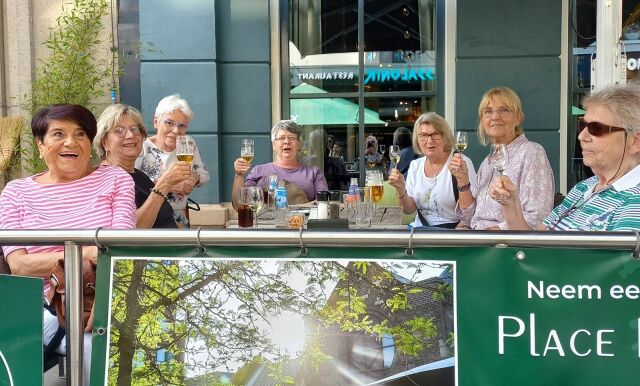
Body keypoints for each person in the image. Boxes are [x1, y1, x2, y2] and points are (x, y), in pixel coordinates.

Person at [0, 104, 137, 383]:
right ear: (40, 145)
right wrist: (86, 253)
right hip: (43, 307)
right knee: (97, 354)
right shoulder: (17, 192)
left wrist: (104, 299)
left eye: (80, 134)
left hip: (106, 296)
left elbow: (123, 250)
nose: (70, 142)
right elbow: (20, 267)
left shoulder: (115, 179)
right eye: (58, 134)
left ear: (91, 143)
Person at [491, 83, 640, 231]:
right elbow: (535, 243)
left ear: (635, 142)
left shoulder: (635, 201)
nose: (581, 136)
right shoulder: (583, 188)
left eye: (597, 128)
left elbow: (617, 256)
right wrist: (511, 205)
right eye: (582, 125)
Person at [449, 87, 554, 230]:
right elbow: (470, 219)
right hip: (478, 240)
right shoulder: (487, 162)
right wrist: (463, 182)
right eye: (488, 111)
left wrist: (487, 234)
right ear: (482, 121)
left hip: (506, 246)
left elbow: (538, 217)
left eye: (504, 110)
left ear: (517, 118)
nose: (495, 117)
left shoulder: (532, 152)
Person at [95, 104, 193, 228]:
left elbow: (165, 220)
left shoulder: (138, 175)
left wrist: (190, 237)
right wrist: (164, 185)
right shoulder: (106, 180)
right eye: (119, 131)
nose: (130, 135)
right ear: (104, 142)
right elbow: (132, 231)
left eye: (135, 129)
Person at [389, 112, 477, 228]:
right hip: (419, 232)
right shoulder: (416, 165)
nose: (429, 141)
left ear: (445, 137)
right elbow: (408, 210)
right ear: (417, 139)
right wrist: (400, 189)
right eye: (423, 135)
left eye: (435, 134)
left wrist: (459, 232)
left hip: (452, 233)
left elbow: (473, 210)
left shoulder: (461, 163)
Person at [135, 94, 209, 227]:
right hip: (151, 218)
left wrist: (192, 180)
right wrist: (170, 184)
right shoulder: (143, 147)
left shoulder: (188, 144)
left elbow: (202, 175)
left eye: (182, 126)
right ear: (156, 122)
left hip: (180, 219)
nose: (175, 131)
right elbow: (135, 185)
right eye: (169, 123)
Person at [232, 120, 328, 208]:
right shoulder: (259, 170)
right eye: (281, 138)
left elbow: (323, 203)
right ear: (274, 145)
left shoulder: (314, 172)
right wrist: (239, 175)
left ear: (299, 145)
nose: (286, 142)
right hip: (266, 225)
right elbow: (239, 205)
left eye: (291, 137)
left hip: (303, 225)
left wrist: (288, 209)